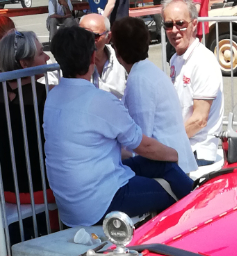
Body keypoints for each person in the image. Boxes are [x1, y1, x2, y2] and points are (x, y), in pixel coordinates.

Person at [43, 26, 192, 226]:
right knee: (172, 190)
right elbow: (144, 146)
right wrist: (176, 154)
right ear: (92, 57)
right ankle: (198, 215)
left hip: (72, 204)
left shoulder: (52, 97)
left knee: (163, 166)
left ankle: (197, 200)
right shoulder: (99, 100)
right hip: (100, 201)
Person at [111, 17, 196, 173]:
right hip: (172, 162)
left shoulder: (139, 79)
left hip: (166, 169)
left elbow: (141, 139)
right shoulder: (147, 71)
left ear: (117, 51)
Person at [162, 0, 224, 167]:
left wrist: (165, 141)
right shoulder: (175, 59)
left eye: (180, 24)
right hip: (184, 145)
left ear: (194, 24)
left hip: (198, 150)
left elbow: (199, 120)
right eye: (168, 25)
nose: (175, 30)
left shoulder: (203, 61)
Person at [0, 31, 51, 203]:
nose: (47, 57)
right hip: (42, 187)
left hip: (3, 188)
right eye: (41, 53)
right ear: (24, 63)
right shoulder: (46, 94)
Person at [80, 13, 127, 99]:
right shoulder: (68, 61)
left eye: (94, 36)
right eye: (82, 35)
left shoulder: (123, 58)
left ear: (108, 37)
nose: (87, 40)